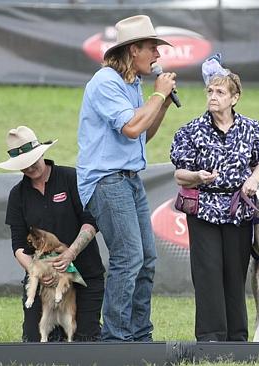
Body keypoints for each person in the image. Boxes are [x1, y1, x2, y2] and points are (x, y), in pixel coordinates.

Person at [76, 14, 177, 342]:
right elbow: (131, 127)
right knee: (129, 257)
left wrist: (159, 104)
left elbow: (142, 136)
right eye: (152, 48)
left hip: (128, 178)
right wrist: (158, 96)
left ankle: (139, 336)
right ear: (133, 49)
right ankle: (116, 341)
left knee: (146, 259)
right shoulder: (106, 81)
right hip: (106, 181)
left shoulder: (132, 84)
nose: (158, 56)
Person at [169, 55, 259, 341]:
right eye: (210, 91)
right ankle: (211, 337)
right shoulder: (191, 131)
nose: (213, 97)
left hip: (238, 209)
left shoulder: (251, 128)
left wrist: (253, 179)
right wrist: (198, 177)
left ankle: (237, 336)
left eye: (220, 92)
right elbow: (180, 175)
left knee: (235, 273)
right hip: (203, 209)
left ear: (234, 98)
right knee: (208, 272)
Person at [0, 126, 105, 342]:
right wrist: (36, 271)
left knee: (85, 340)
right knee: (34, 340)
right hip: (42, 277)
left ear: (41, 153)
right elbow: (18, 245)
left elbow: (91, 222)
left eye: (32, 160)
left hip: (84, 274)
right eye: (23, 165)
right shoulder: (17, 195)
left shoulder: (71, 177)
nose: (29, 167)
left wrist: (71, 253)